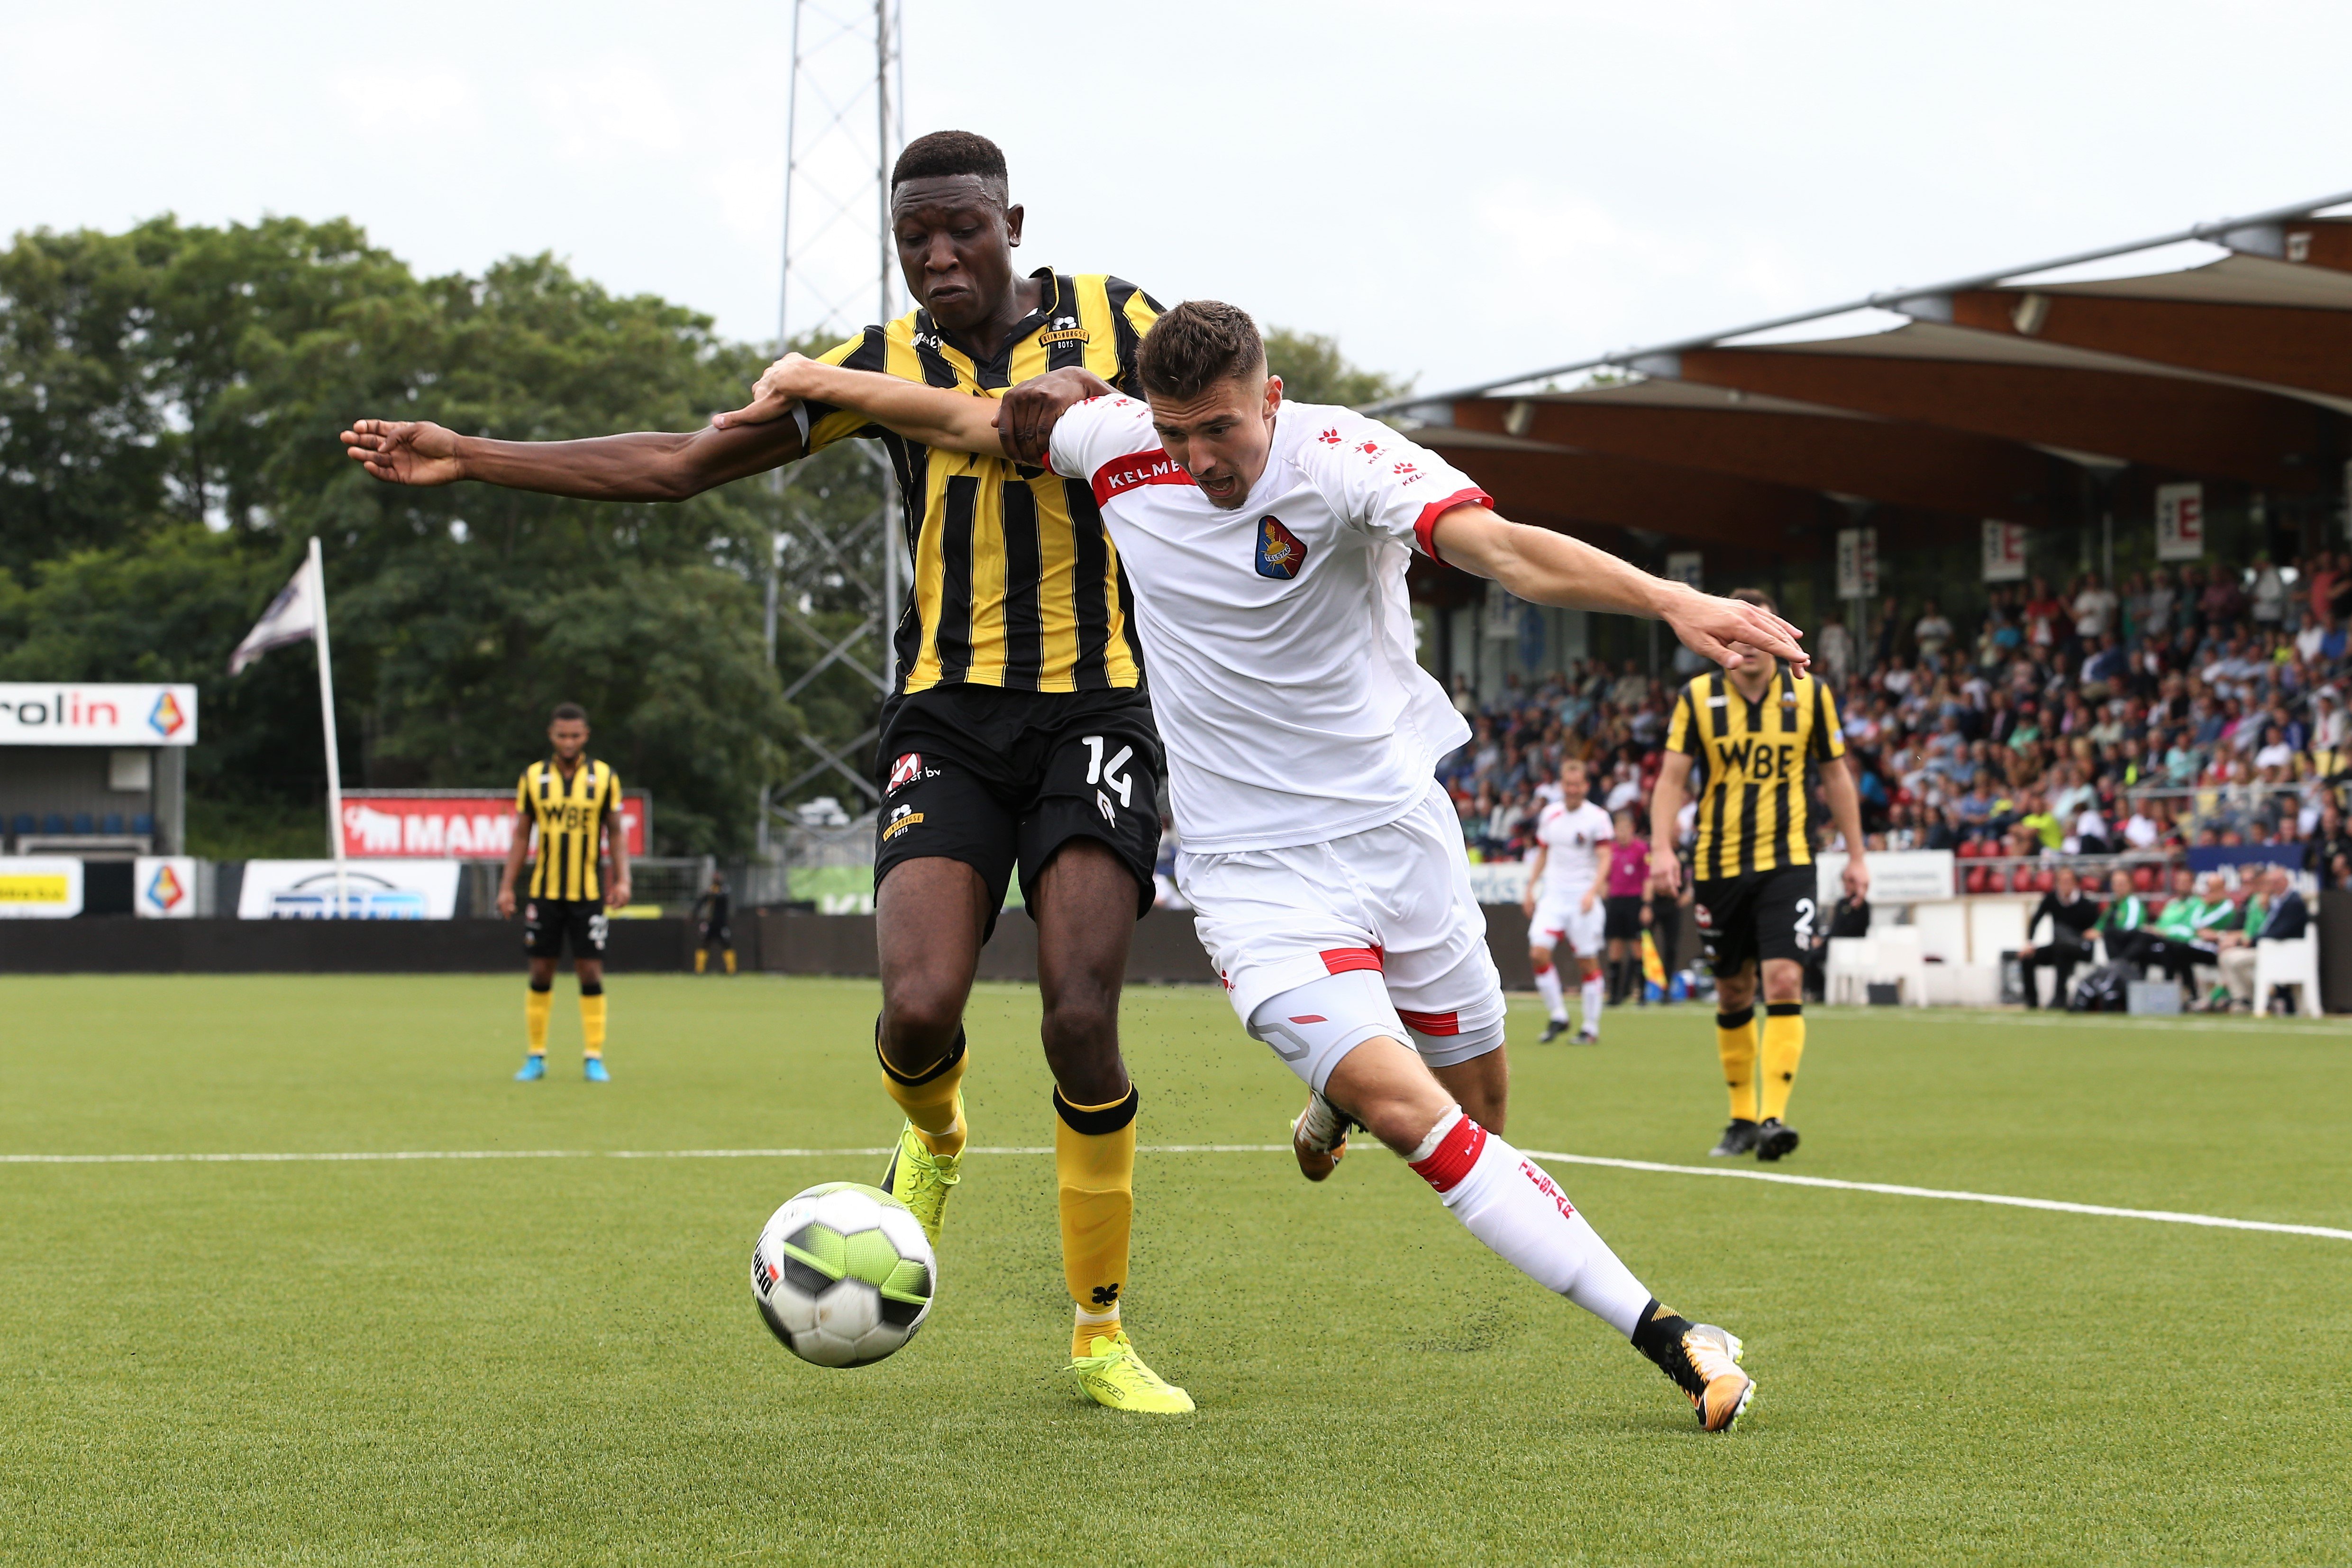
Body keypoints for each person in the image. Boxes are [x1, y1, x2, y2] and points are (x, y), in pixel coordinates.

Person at [723, 299, 1813, 1429]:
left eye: (1224, 434)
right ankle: (1672, 1335)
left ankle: (1328, 1095)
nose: (1198, 463)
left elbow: (1503, 554)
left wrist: (1670, 598)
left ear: (1271, 400)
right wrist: (819, 374)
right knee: (1418, 1123)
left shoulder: (1343, 457)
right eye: (1175, 434)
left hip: (1398, 838)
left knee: (1479, 1108)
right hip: (1251, 876)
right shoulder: (1116, 445)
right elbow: (962, 414)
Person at [347, 131, 1192, 1413]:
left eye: (963, 228)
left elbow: (1215, 417)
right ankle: (938, 1135)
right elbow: (681, 467)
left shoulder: (1121, 319)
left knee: (1080, 1013)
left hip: (1096, 714)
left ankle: (1099, 1331)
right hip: (947, 717)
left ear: (1013, 220)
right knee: (917, 1009)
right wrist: (473, 453)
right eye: (915, 238)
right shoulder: (870, 364)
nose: (939, 255)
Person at [1650, 590, 1869, 1164]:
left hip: (1790, 860)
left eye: (1754, 631)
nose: (1743, 644)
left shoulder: (1811, 695)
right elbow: (1672, 779)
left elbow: (1837, 777)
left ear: (1778, 633)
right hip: (1718, 863)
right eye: (1733, 632)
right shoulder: (1697, 697)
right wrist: (1661, 847)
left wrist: (1857, 855)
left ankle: (1774, 1116)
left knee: (1783, 983)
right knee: (1733, 989)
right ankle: (1742, 1116)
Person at [498, 703, 632, 1081]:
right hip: (545, 892)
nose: (569, 742)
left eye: (575, 736)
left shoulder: (604, 777)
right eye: (562, 736)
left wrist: (623, 880)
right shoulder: (534, 778)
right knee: (541, 968)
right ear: (551, 735)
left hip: (588, 892)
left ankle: (593, 1056)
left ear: (586, 736)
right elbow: (523, 834)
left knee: (589, 969)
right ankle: (536, 1055)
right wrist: (508, 886)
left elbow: (617, 832)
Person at [1521, 758, 1613, 1044]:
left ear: (1585, 786)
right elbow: (1543, 853)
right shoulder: (1550, 815)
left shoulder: (1597, 818)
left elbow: (1606, 857)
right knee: (1538, 953)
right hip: (1554, 896)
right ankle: (1559, 1015)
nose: (1572, 790)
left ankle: (1590, 1028)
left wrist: (1593, 891)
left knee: (1587, 961)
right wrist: (1531, 888)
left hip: (1582, 896)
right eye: (1567, 784)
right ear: (1562, 785)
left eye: (1577, 785)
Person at [2218, 866, 2310, 1012]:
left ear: (2285, 882)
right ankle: (2245, 998)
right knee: (2228, 957)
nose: (2272, 886)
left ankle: (2256, 998)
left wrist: (2252, 941)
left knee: (2235, 960)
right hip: (2270, 947)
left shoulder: (2293, 902)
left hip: (2284, 950)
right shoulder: (2275, 901)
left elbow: (2280, 932)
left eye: (2275, 882)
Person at [2016, 866, 2098, 1008]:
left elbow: (2097, 927)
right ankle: (2032, 1002)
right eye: (2062, 882)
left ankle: (2060, 998)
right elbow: (2036, 920)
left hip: (2080, 949)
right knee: (2028, 958)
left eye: (2068, 881)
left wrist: (2094, 932)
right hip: (2059, 948)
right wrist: (2030, 943)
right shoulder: (2052, 899)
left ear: (2075, 883)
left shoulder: (2087, 905)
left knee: (2062, 950)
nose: (2065, 885)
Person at [1601, 810, 1653, 1008]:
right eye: (1618, 828)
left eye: (1625, 828)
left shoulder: (1641, 849)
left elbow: (1647, 878)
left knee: (1637, 948)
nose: (1621, 833)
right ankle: (1615, 994)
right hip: (1616, 901)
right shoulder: (1611, 850)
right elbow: (1605, 875)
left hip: (1634, 901)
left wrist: (1646, 905)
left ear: (1632, 829)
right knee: (1615, 948)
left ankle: (1642, 994)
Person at [693, 873, 735, 975]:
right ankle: (699, 970)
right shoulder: (710, 890)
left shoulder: (725, 890)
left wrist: (712, 893)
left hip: (722, 924)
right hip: (710, 924)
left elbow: (723, 897)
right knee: (704, 945)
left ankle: (731, 970)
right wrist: (694, 914)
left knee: (727, 945)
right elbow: (701, 902)